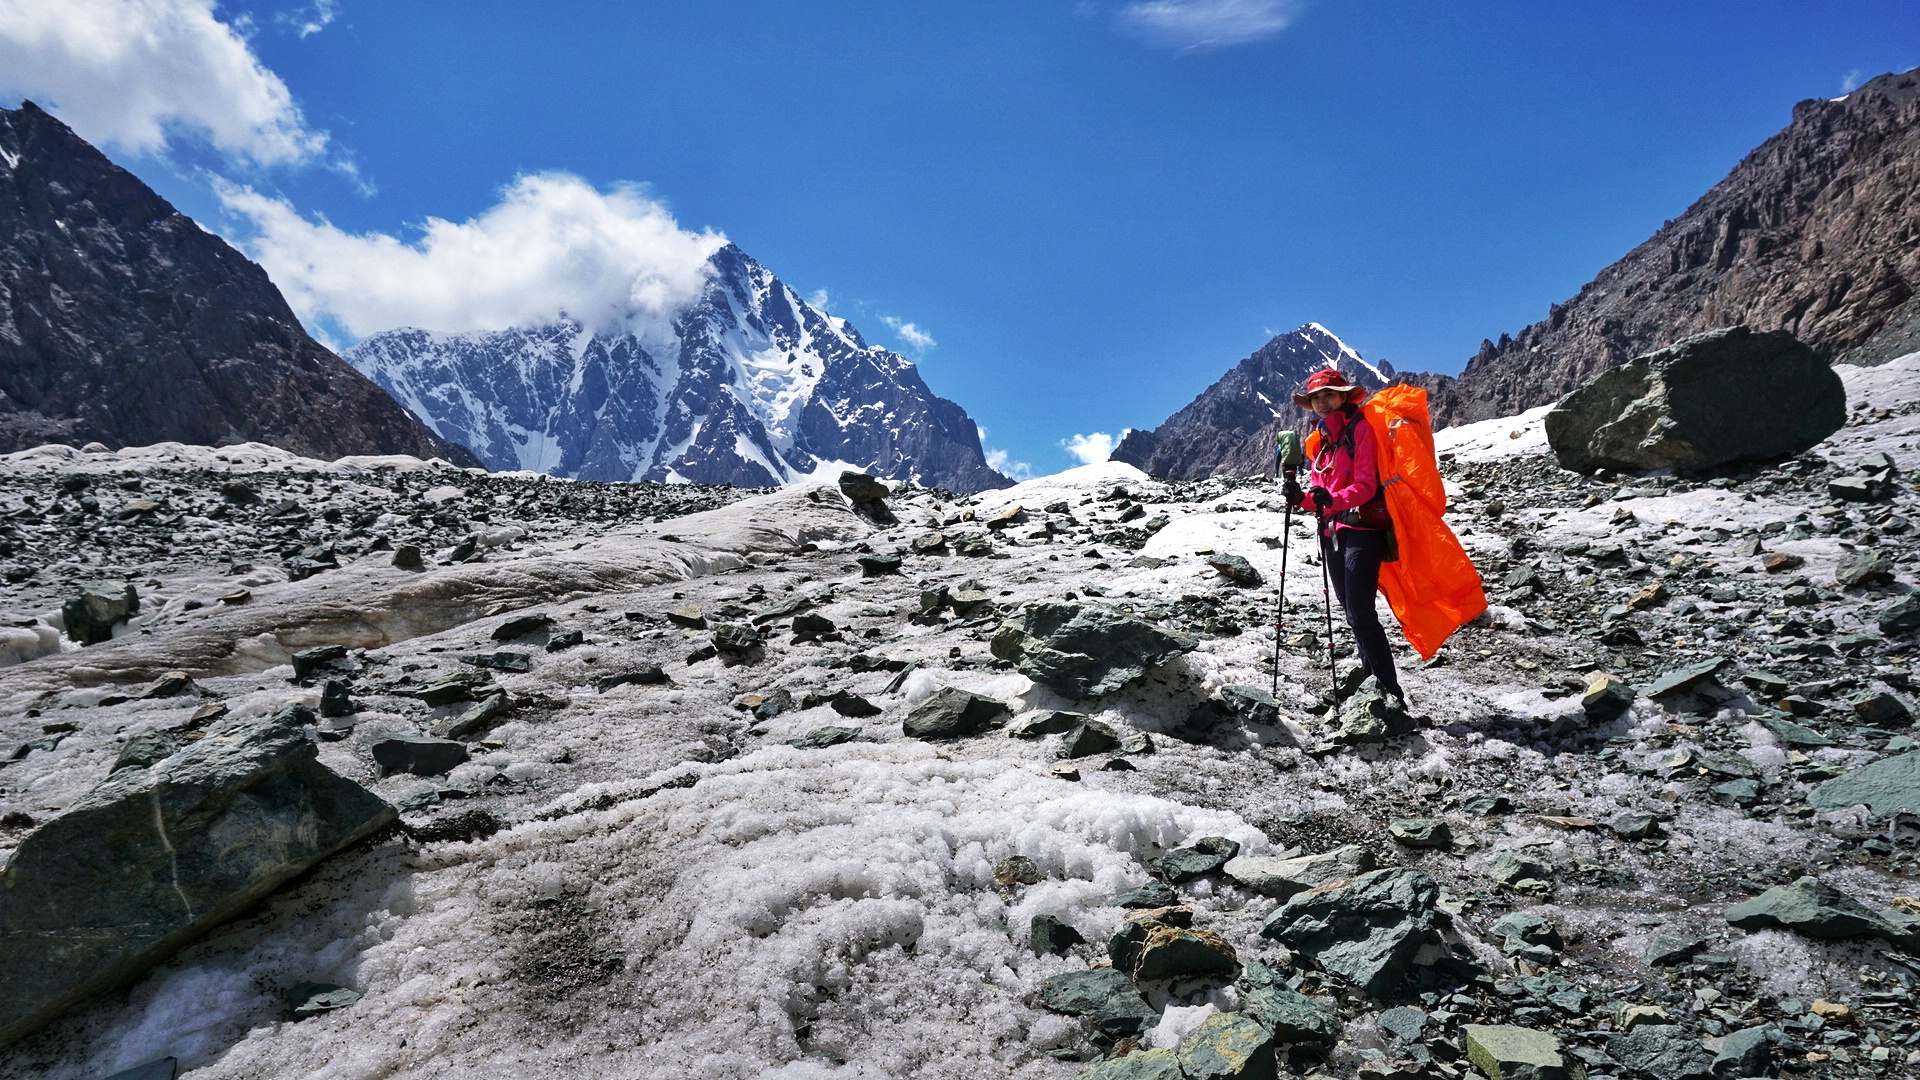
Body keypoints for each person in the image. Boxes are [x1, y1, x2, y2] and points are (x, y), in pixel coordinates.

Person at [1282, 369, 1404, 702]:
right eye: (1316, 398)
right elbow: (1321, 497)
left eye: (1329, 395)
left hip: (1363, 528)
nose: (1322, 403)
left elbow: (1365, 486)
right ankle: (1372, 690)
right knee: (1351, 610)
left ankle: (1389, 695)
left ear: (1343, 397)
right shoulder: (1320, 440)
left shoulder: (1360, 429)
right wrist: (1301, 498)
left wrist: (1330, 500)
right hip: (1333, 530)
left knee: (1361, 612)